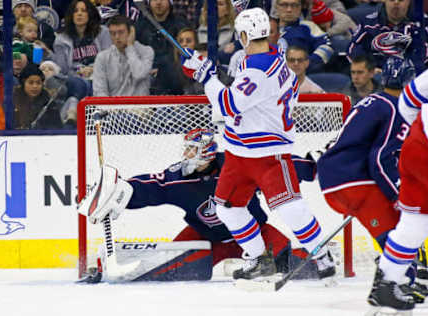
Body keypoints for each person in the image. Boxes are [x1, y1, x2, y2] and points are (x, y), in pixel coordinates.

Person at [179, 8, 335, 280]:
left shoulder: (258, 70)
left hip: (268, 153)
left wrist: (206, 78)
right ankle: (258, 258)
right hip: (239, 152)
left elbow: (228, 105)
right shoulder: (272, 56)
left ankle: (321, 255)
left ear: (243, 36)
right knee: (227, 209)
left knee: (289, 206)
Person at [82, 128, 325, 281]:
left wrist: (313, 166)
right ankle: (104, 272)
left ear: (207, 153)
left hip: (257, 237)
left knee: (302, 265)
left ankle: (323, 256)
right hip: (205, 237)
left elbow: (277, 167)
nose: (186, 154)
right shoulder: (178, 179)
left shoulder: (237, 166)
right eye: (186, 148)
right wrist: (114, 193)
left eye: (192, 149)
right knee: (169, 267)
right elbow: (149, 187)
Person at [367, 7, 428, 314]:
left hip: (420, 137)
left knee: (416, 220)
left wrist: (420, 140)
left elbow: (408, 99)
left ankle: (387, 285)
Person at [347, 0, 428, 75]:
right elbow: (353, 49)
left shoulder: (424, 24)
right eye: (391, 0)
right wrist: (370, 69)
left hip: (412, 76)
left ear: (409, 2)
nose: (396, 2)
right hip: (377, 76)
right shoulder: (368, 24)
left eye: (401, 0)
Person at [0, 0, 55, 70]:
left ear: (33, 10)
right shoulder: (1, 32)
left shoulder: (44, 30)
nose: (23, 9)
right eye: (19, 6)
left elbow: (54, 59)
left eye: (27, 6)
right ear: (13, 10)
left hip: (36, 77)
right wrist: (6, 67)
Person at [134, 0, 189, 95]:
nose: (158, 2)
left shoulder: (181, 24)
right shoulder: (139, 26)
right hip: (146, 79)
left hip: (175, 82)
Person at [92, 15, 154, 96]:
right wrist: (109, 108)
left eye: (121, 32)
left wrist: (130, 47)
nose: (117, 37)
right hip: (112, 107)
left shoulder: (146, 51)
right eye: (113, 33)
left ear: (131, 32)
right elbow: (100, 91)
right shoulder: (102, 57)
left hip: (140, 106)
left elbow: (139, 74)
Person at [52, 0, 112, 79]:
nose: (79, 14)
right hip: (75, 79)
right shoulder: (61, 39)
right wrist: (78, 72)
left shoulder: (102, 32)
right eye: (75, 11)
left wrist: (93, 69)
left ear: (90, 14)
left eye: (83, 11)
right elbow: (63, 69)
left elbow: (108, 60)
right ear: (71, 15)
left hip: (100, 76)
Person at [276, 0, 334, 73]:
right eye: (284, 5)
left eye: (294, 5)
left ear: (300, 7)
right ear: (276, 6)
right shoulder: (267, 27)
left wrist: (307, 62)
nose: (289, 9)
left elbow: (327, 47)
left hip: (302, 76)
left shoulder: (308, 27)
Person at [13, 63, 63, 130]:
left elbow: (56, 127)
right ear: (23, 83)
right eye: (31, 83)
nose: (35, 86)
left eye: (38, 83)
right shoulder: (13, 100)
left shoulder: (48, 102)